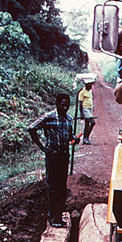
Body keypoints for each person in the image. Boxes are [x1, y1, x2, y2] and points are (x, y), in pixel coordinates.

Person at [28, 93, 81, 227]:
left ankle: (58, 217)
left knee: (62, 187)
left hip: (64, 157)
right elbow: (31, 128)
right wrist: (43, 148)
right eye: (62, 105)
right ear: (57, 104)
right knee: (53, 187)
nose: (65, 107)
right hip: (53, 157)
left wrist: (75, 139)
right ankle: (53, 218)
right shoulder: (49, 117)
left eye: (67, 105)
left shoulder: (69, 119)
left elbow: (69, 137)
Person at [76, 79, 96, 144]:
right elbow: (80, 104)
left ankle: (85, 139)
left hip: (89, 109)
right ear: (86, 85)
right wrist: (82, 114)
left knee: (87, 124)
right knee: (92, 122)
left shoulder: (90, 91)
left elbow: (90, 99)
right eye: (89, 85)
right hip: (85, 109)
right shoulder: (82, 92)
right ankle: (86, 137)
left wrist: (92, 107)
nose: (90, 87)